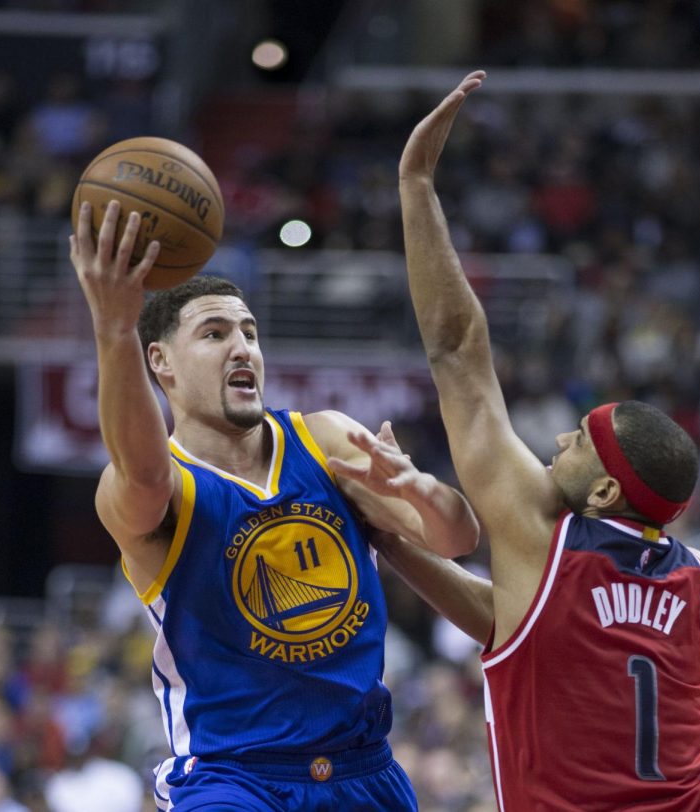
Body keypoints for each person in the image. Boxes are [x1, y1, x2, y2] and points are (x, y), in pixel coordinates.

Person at [338, 71, 700, 810]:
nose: (557, 438)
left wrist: (416, 183)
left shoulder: (548, 536)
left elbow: (457, 350)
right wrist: (391, 544)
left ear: (607, 491)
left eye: (580, 441)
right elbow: (520, 621)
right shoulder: (699, 581)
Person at [69, 199, 481, 811]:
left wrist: (424, 492)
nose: (243, 348)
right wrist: (114, 330)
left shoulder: (325, 438)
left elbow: (455, 539)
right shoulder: (156, 487)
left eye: (250, 333)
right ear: (161, 362)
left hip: (364, 770)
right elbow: (144, 470)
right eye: (214, 334)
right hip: (233, 780)